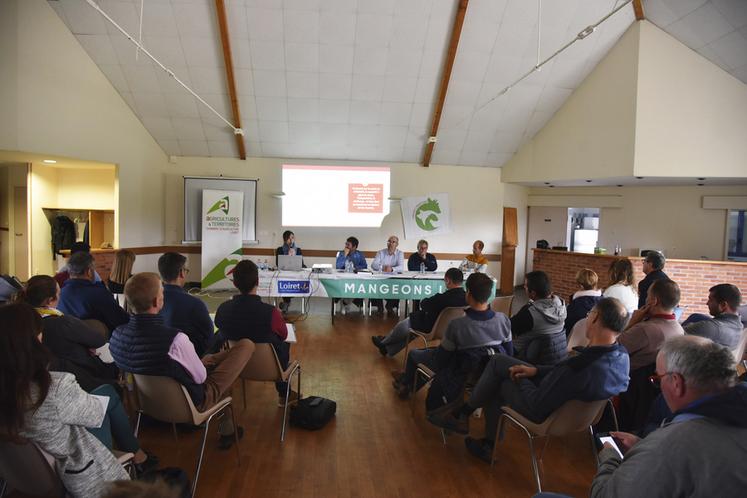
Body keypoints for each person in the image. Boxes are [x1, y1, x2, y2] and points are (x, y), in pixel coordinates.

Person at [428, 297, 630, 463]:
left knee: (499, 377)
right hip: (577, 418)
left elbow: (538, 403)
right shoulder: (620, 357)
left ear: (596, 319)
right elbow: (560, 371)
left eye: (589, 314)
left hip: (543, 413)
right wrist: (534, 371)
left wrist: (518, 376)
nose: (587, 319)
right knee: (499, 362)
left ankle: (473, 425)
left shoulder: (579, 368)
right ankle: (466, 416)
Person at [0, 303, 157, 498]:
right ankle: (138, 456)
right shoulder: (54, 388)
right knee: (106, 399)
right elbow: (95, 415)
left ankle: (139, 456)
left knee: (104, 394)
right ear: (35, 340)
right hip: (73, 472)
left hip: (23, 473)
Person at [110, 273, 253, 449]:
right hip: (190, 405)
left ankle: (228, 427)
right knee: (245, 347)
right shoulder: (176, 340)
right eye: (162, 293)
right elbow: (200, 379)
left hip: (146, 405)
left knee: (209, 360)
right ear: (157, 302)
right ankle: (227, 430)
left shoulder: (117, 336)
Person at [591, 335, 747, 497]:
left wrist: (610, 457)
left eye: (657, 379)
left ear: (676, 383)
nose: (659, 387)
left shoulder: (672, 443)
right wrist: (643, 447)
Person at [392, 273, 513, 411]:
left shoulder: (458, 325)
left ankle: (406, 384)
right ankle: (405, 383)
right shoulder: (503, 320)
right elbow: (509, 353)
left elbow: (441, 360)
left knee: (415, 354)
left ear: (468, 294)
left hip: (460, 370)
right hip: (488, 372)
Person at [14, 275, 119, 392]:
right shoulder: (61, 323)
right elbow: (98, 340)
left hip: (38, 384)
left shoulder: (17, 322)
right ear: (50, 300)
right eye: (59, 294)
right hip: (80, 379)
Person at [214, 260, 298, 407]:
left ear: (234, 283)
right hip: (271, 370)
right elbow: (283, 335)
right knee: (283, 344)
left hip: (235, 368)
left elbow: (219, 328)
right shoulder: (271, 313)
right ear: (258, 281)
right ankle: (284, 394)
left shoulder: (223, 310)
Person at [371, 268, 467, 357]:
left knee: (408, 324)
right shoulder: (466, 299)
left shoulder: (442, 298)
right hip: (452, 331)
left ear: (448, 280)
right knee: (411, 329)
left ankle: (384, 342)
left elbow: (424, 304)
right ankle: (387, 349)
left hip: (432, 328)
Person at [619, 278, 684, 372]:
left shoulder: (644, 329)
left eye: (647, 295)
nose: (646, 299)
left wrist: (631, 322)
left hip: (627, 379)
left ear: (654, 301)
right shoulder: (679, 329)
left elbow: (610, 348)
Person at [158, 252, 214, 357]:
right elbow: (209, 336)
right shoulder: (195, 304)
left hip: (159, 357)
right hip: (190, 359)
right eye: (186, 270)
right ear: (181, 273)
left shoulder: (151, 301)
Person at [57, 251, 129, 334]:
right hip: (101, 342)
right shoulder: (99, 294)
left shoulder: (61, 293)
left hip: (70, 340)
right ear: (89, 272)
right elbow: (121, 320)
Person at [511, 271, 567, 365]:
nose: (524, 288)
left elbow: (510, 327)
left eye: (525, 286)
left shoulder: (529, 312)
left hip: (522, 356)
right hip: (555, 357)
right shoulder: (561, 304)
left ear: (533, 293)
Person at [683, 283, 743, 349]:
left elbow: (673, 336)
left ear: (723, 305)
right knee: (696, 317)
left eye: (711, 300)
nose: (707, 303)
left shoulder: (710, 327)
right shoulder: (739, 326)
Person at [370, 235, 405, 314]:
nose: (391, 243)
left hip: (393, 278)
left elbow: (401, 267)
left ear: (397, 244)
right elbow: (373, 265)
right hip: (380, 278)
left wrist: (392, 269)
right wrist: (383, 267)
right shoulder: (381, 252)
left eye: (393, 242)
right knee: (375, 285)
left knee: (397, 286)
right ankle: (379, 307)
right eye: (389, 241)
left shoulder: (400, 253)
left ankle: (390, 306)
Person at [565, 268, 602, 334]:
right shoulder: (605, 302)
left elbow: (568, 327)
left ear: (581, 286)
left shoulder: (574, 306)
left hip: (577, 340)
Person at [275, 230, 304, 314]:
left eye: (293, 238)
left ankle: (286, 303)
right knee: (283, 281)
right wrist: (287, 255)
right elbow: (278, 263)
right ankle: (287, 303)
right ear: (285, 239)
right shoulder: (280, 249)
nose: (291, 240)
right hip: (284, 274)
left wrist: (294, 255)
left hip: (296, 274)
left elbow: (301, 264)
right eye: (290, 238)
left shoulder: (298, 250)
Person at [334, 236, 367, 311]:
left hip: (356, 279)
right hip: (342, 279)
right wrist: (345, 255)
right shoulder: (340, 253)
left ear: (354, 247)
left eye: (348, 245)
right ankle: (346, 302)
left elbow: (364, 266)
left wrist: (356, 268)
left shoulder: (360, 254)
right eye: (346, 244)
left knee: (356, 287)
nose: (346, 246)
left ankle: (346, 302)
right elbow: (338, 266)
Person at [407, 239, 438, 311]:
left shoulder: (431, 256)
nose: (423, 250)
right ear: (418, 248)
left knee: (430, 297)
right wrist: (426, 268)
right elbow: (411, 268)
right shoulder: (413, 257)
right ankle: (416, 311)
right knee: (416, 297)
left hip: (429, 281)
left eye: (425, 248)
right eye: (421, 248)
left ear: (427, 248)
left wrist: (425, 259)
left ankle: (427, 311)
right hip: (416, 281)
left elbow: (434, 268)